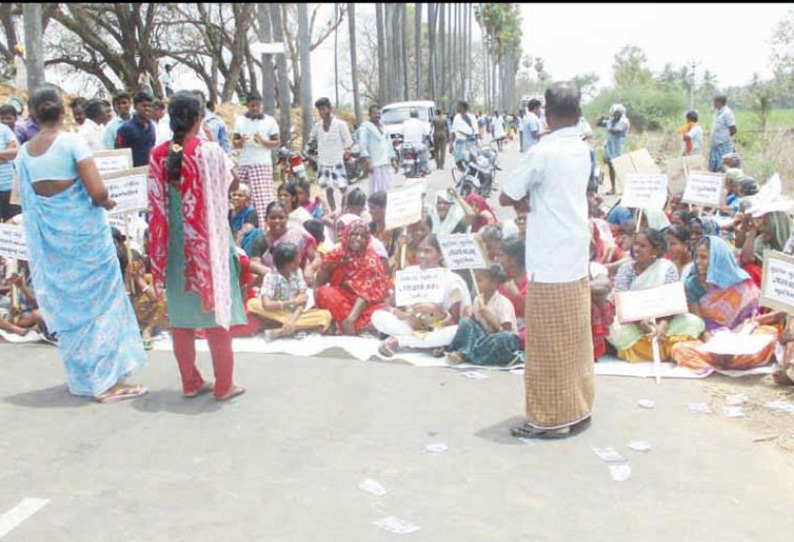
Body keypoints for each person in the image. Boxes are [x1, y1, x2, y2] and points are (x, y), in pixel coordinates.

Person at [15, 86, 147, 402]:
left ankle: (84, 377)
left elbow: (25, 199)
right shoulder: (72, 142)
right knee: (100, 306)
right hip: (86, 241)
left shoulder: (24, 153)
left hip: (54, 246)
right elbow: (98, 193)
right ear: (62, 111)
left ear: (32, 113)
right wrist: (110, 202)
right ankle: (106, 384)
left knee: (72, 307)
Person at [499, 81, 594, 440]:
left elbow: (508, 194)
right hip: (574, 255)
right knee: (575, 340)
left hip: (549, 261)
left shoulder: (543, 152)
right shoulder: (582, 150)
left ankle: (549, 418)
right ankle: (579, 406)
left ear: (547, 114)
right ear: (579, 113)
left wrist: (523, 202)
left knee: (546, 346)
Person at [148, 91, 246, 401]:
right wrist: (205, 137)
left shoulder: (159, 153)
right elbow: (233, 183)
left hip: (173, 246)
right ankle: (223, 385)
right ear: (197, 118)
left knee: (181, 318)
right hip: (208, 244)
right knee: (216, 312)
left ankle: (190, 382)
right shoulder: (209, 151)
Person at [671, 236, 777, 371]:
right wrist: (714, 346)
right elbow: (700, 324)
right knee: (679, 349)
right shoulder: (692, 284)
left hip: (740, 335)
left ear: (719, 258)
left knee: (770, 335)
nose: (698, 262)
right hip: (710, 338)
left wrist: (735, 339)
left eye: (704, 257)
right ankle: (722, 363)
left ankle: (726, 363)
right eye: (697, 257)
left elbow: (751, 320)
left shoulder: (741, 283)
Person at [608, 229, 705, 362]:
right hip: (633, 321)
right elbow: (621, 301)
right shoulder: (626, 269)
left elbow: (672, 301)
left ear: (655, 251)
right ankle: (664, 349)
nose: (636, 249)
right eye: (635, 244)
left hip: (663, 320)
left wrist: (663, 325)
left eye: (643, 246)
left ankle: (662, 347)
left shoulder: (667, 268)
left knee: (693, 322)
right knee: (618, 331)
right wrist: (641, 322)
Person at [374, 233, 472, 357]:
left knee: (454, 332)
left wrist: (438, 313)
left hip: (438, 328)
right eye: (419, 251)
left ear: (440, 254)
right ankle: (430, 344)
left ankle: (399, 341)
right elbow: (388, 306)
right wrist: (405, 316)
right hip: (410, 325)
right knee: (377, 316)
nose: (421, 255)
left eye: (427, 251)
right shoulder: (409, 273)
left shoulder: (453, 280)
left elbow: (457, 321)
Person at [315, 219, 389, 334]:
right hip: (342, 300)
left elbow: (366, 293)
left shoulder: (371, 259)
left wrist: (351, 319)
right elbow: (319, 280)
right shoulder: (337, 254)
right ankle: (347, 326)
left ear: (367, 240)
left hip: (364, 306)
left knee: (382, 312)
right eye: (354, 234)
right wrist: (317, 304)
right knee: (324, 292)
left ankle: (347, 325)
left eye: (363, 236)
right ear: (347, 235)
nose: (358, 238)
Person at [247, 242, 332, 338]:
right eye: (297, 259)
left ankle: (281, 330)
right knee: (253, 304)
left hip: (295, 314)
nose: (300, 261)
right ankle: (293, 328)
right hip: (275, 313)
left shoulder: (298, 272)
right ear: (289, 265)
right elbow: (267, 304)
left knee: (325, 316)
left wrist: (292, 319)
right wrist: (293, 301)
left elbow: (303, 301)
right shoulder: (271, 277)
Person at [446, 263, 520, 366]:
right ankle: (470, 352)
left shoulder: (503, 303)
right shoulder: (477, 300)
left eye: (480, 281)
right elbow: (475, 327)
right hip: (484, 338)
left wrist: (489, 317)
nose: (476, 284)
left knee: (502, 338)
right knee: (465, 322)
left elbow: (506, 331)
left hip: (500, 338)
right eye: (475, 281)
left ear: (494, 283)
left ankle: (468, 353)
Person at [232, 92, 280, 226]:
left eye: (257, 106)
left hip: (261, 165)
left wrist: (263, 142)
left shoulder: (269, 121)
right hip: (244, 164)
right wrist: (240, 141)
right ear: (247, 105)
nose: (255, 108)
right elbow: (234, 142)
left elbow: (276, 142)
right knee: (243, 197)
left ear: (261, 105)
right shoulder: (240, 121)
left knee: (262, 200)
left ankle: (264, 227)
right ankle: (244, 225)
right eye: (252, 106)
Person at [310, 97, 353, 213]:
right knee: (329, 191)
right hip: (324, 163)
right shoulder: (318, 126)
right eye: (319, 110)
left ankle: (343, 211)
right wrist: (312, 148)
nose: (322, 112)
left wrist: (346, 152)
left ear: (330, 108)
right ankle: (334, 213)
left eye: (324, 109)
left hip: (337, 161)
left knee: (344, 190)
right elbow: (312, 140)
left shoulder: (340, 124)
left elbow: (348, 142)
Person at [259, 201, 318, 275]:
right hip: (271, 281)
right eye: (273, 218)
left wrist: (310, 268)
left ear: (287, 218)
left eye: (281, 217)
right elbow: (255, 264)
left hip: (300, 279)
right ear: (266, 220)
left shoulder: (299, 234)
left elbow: (316, 258)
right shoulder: (261, 240)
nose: (277, 221)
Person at [358, 105, 393, 195]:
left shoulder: (384, 127)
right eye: (375, 113)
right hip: (375, 163)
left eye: (379, 113)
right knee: (375, 191)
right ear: (370, 114)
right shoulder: (365, 127)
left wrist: (392, 158)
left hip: (385, 162)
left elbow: (389, 144)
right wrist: (368, 161)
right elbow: (362, 145)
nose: (377, 115)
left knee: (387, 189)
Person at [115, 91, 156, 167]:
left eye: (150, 106)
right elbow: (119, 154)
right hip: (134, 173)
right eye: (144, 105)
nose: (147, 108)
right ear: (135, 106)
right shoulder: (125, 129)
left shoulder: (152, 126)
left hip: (150, 170)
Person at [599, 103, 630, 194]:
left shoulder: (624, 121)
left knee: (619, 166)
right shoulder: (611, 121)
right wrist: (602, 118)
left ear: (621, 113)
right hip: (610, 146)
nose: (616, 114)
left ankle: (624, 189)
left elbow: (617, 130)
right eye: (614, 113)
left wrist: (609, 125)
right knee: (610, 166)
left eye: (618, 113)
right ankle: (613, 188)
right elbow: (599, 123)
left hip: (618, 146)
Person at [192, 90, 232, 155]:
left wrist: (228, 157)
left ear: (204, 102)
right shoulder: (184, 122)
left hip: (213, 157)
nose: (197, 104)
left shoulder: (216, 121)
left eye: (199, 101)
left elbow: (224, 142)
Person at [709, 95, 737, 173]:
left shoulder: (727, 113)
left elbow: (733, 129)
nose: (713, 104)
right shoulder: (718, 113)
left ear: (719, 103)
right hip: (716, 145)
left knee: (724, 168)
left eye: (714, 102)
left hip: (724, 146)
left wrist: (724, 138)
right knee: (714, 168)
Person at [0, 112, 18, 221]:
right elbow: (9, 153)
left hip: (8, 186)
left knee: (10, 223)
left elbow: (15, 152)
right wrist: (5, 154)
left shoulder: (4, 130)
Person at [450, 100, 477, 171]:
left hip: (469, 141)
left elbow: (475, 132)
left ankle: (473, 173)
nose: (456, 107)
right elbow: (453, 132)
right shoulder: (456, 117)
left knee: (472, 160)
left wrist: (476, 142)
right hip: (459, 142)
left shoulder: (472, 117)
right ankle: (466, 173)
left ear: (462, 107)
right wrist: (451, 144)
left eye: (458, 106)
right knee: (458, 161)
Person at [403, 108, 431, 173]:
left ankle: (405, 167)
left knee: (402, 152)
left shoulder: (405, 123)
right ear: (417, 115)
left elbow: (402, 132)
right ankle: (424, 167)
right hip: (418, 145)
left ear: (410, 115)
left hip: (407, 146)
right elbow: (425, 134)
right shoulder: (420, 123)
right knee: (425, 149)